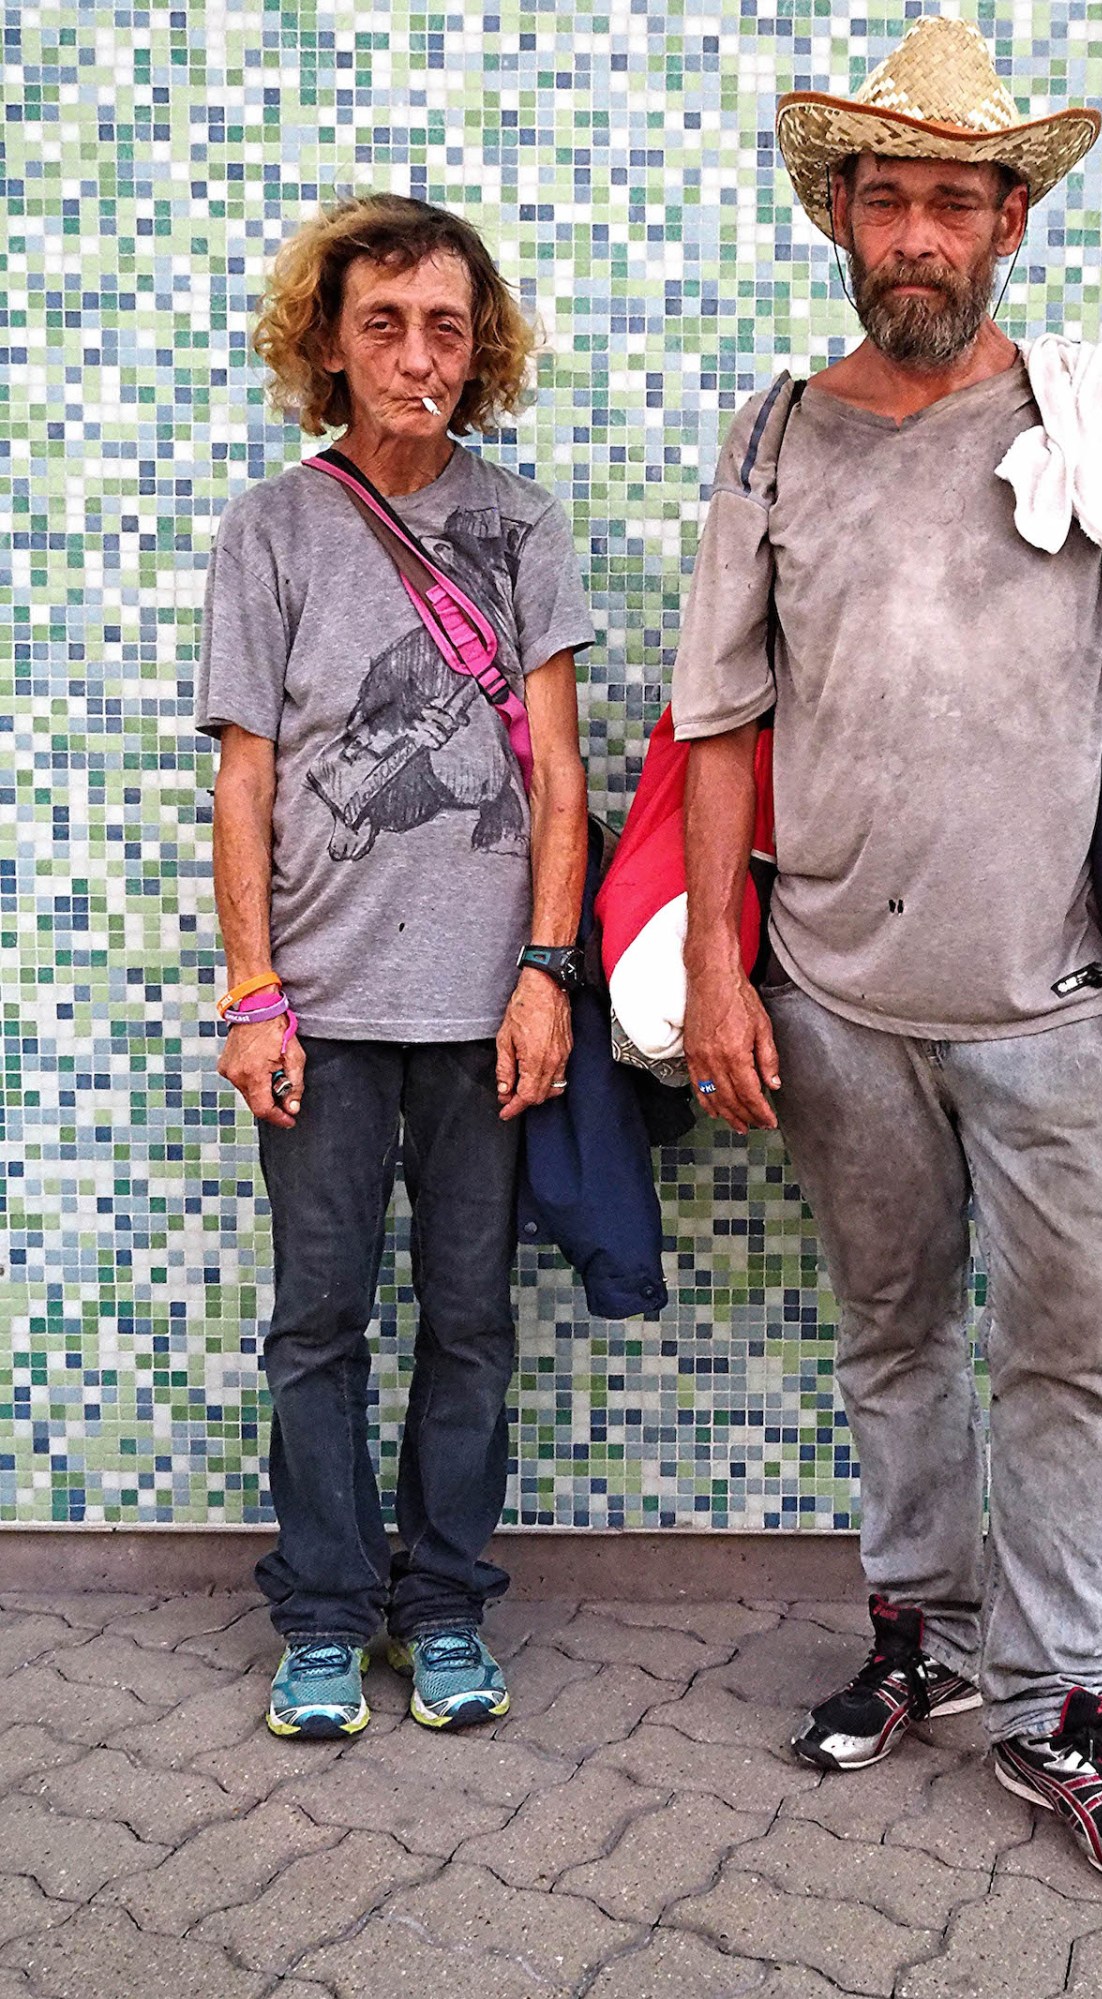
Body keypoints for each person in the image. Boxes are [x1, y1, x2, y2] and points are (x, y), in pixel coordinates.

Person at [675, 18, 1102, 1889]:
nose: (918, 232)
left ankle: (1065, 1707)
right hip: (835, 1002)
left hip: (1059, 1005)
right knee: (891, 1336)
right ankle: (920, 1644)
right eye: (886, 198)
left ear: (1010, 222)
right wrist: (713, 968)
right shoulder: (771, 433)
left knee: (1072, 1359)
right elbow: (713, 723)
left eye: (955, 199)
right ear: (840, 218)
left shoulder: (1085, 413)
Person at [199, 195, 595, 1739]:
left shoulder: (523, 528)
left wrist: (546, 972)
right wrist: (251, 994)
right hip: (321, 1010)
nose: (418, 356)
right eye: (385, 326)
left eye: (446, 326)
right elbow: (244, 778)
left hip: (488, 1009)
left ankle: (440, 1607)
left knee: (473, 1324)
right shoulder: (275, 528)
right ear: (331, 344)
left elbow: (559, 778)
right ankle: (318, 1611)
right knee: (316, 1324)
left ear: (479, 345)